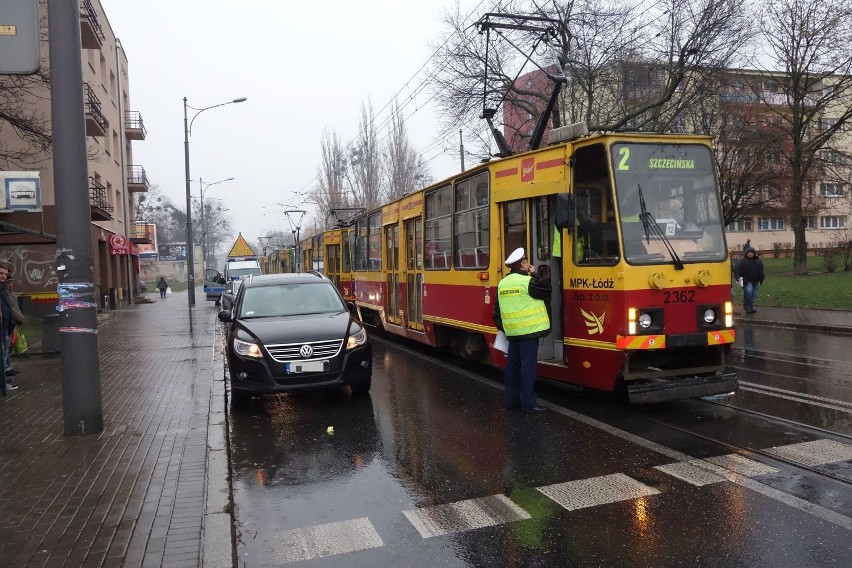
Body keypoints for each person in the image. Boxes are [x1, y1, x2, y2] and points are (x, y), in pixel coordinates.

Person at [492, 247, 552, 414]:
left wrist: (507, 329)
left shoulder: (502, 284)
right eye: (526, 262)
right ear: (523, 264)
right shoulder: (528, 282)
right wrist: (535, 274)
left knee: (511, 368)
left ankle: (512, 402)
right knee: (528, 368)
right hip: (529, 334)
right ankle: (529, 403)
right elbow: (547, 290)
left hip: (512, 334)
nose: (528, 264)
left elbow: (496, 313)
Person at [0, 265, 19, 390]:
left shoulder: (3, 288)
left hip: (5, 325)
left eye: (5, 274)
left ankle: (3, 380)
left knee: (5, 352)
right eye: (1, 273)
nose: (3, 276)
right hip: (2, 325)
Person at [736, 245, 764, 314]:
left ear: (754, 253)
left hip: (756, 280)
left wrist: (762, 277)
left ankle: (750, 307)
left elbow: (761, 269)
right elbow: (737, 270)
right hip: (746, 281)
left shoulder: (758, 260)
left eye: (752, 252)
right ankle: (747, 307)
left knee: (753, 294)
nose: (750, 253)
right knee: (749, 292)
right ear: (746, 253)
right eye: (749, 252)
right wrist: (738, 279)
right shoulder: (742, 260)